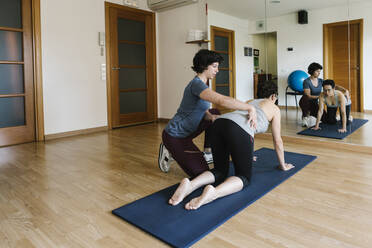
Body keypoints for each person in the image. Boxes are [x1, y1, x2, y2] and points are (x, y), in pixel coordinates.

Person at [168, 80, 294, 210]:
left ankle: (191, 184)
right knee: (243, 177)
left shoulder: (250, 101)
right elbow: (277, 140)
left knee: (219, 170)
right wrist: (283, 165)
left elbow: (248, 130)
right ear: (273, 96)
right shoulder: (274, 108)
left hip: (219, 123)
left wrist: (247, 155)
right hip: (238, 130)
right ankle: (214, 193)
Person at [158, 49, 257, 178]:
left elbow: (200, 108)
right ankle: (169, 149)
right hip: (175, 136)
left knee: (215, 113)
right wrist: (250, 108)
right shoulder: (196, 85)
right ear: (204, 66)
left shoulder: (204, 84)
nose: (217, 70)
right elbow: (221, 100)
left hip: (189, 131)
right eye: (214, 66)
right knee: (204, 174)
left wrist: (210, 116)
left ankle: (208, 151)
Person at [299, 62, 324, 127]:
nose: (319, 73)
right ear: (312, 71)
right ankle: (305, 117)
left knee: (326, 119)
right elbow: (308, 96)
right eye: (317, 71)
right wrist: (320, 97)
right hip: (306, 102)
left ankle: (310, 114)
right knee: (306, 97)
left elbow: (331, 86)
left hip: (315, 103)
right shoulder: (307, 81)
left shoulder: (321, 81)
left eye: (319, 71)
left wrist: (344, 90)